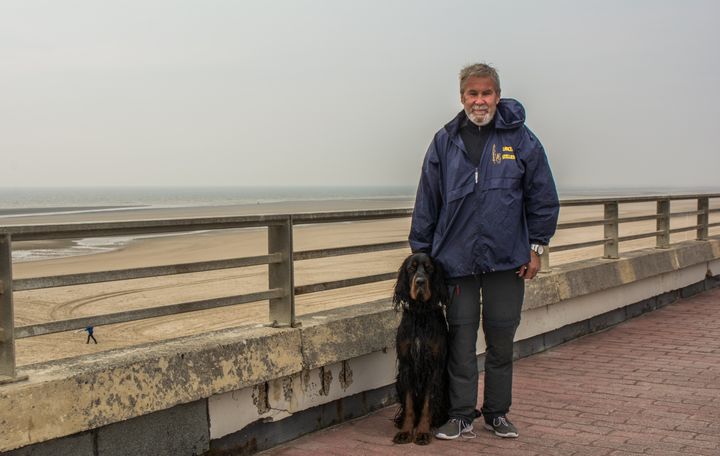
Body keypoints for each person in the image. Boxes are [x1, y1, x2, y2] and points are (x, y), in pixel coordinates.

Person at [409, 63, 559, 440]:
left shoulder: (521, 140)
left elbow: (542, 196)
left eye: (486, 93)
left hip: (507, 260)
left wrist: (536, 247)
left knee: (501, 339)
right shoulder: (444, 141)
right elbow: (427, 201)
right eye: (472, 94)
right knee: (460, 341)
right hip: (454, 263)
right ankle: (461, 415)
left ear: (497, 94)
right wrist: (422, 257)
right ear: (462, 97)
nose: (480, 100)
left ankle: (496, 413)